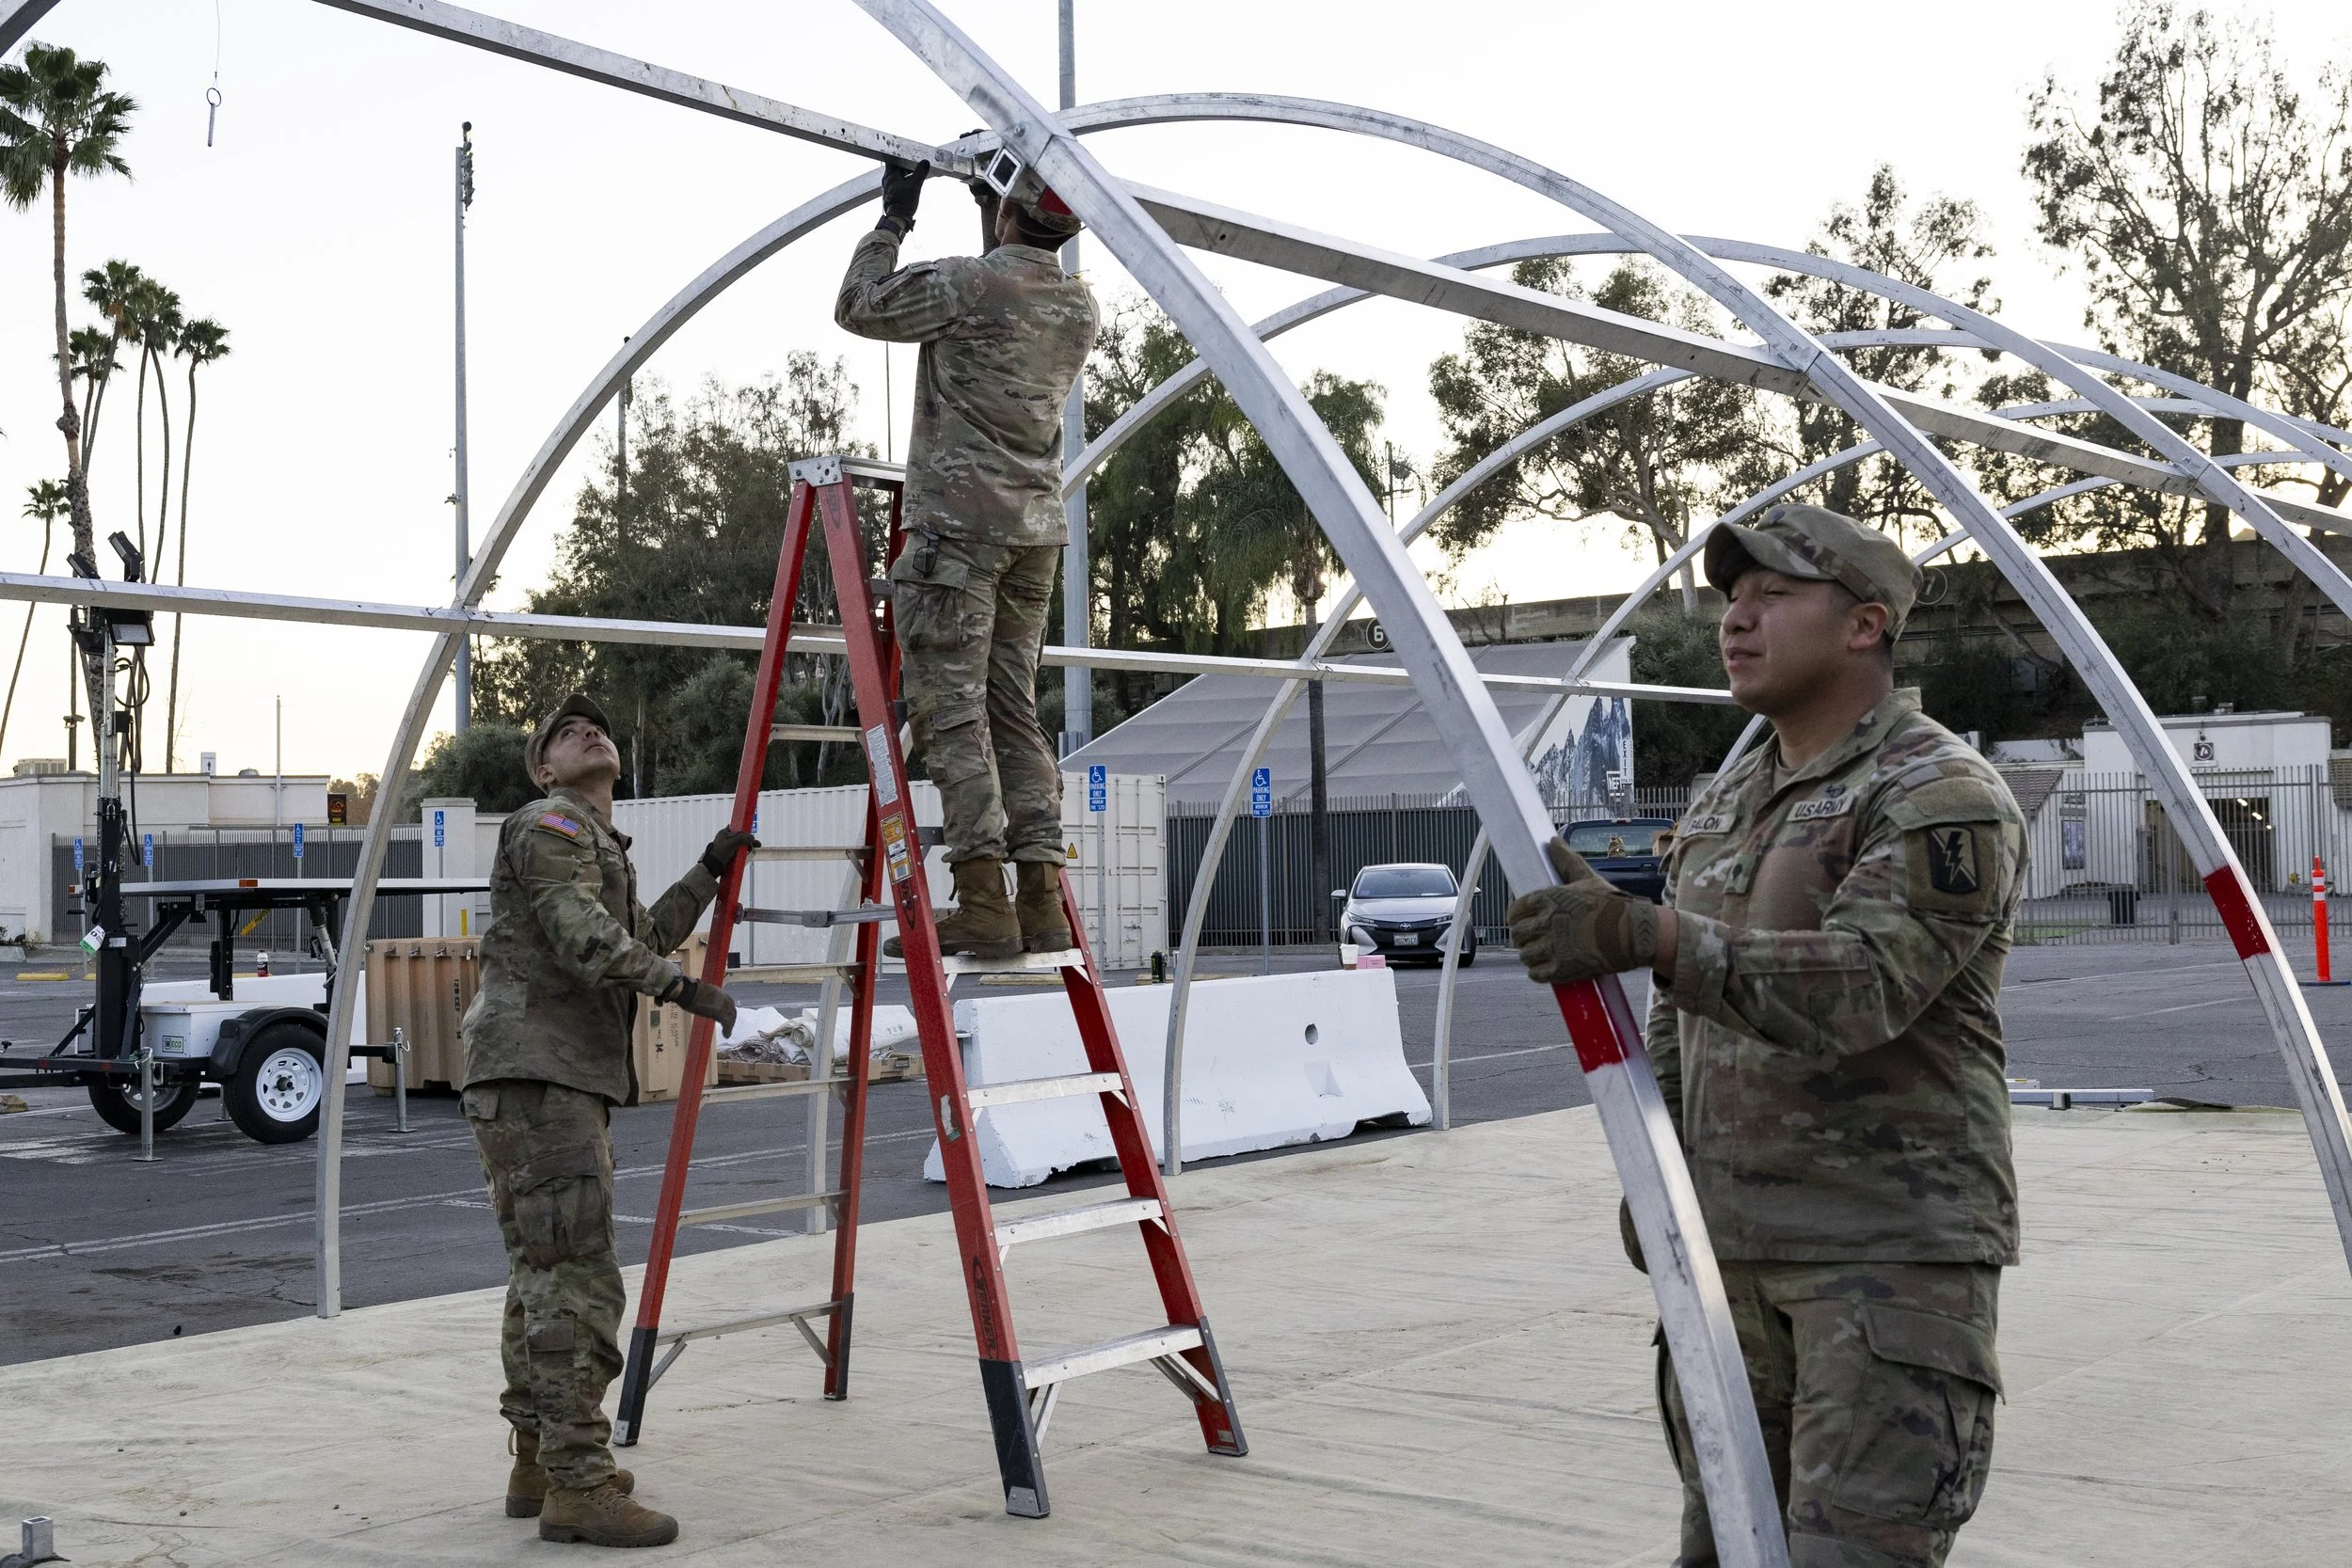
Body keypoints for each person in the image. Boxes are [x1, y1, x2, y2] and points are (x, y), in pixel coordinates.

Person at [1506, 504, 2026, 1568]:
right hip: (1729, 1259)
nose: (1735, 620)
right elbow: (1676, 1013)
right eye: (1731, 599)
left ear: (1863, 625)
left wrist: (1646, 931)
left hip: (1878, 1264)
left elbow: (1865, 986)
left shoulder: (1936, 793)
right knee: (1721, 1549)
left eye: (1772, 596)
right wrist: (1661, 1174)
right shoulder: (1730, 797)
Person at [458, 693, 754, 1548]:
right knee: (577, 1278)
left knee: (539, 1272)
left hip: (540, 1076)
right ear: (545, 768)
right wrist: (684, 991)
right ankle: (578, 1483)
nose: (590, 731)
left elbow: (640, 931)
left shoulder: (589, 842)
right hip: (541, 1073)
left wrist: (706, 872)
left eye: (598, 726)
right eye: (565, 732)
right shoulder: (551, 823)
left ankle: (538, 1460)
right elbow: (585, 936)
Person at [835, 155, 1100, 959]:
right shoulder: (1077, 305)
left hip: (957, 532)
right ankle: (1041, 899)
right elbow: (1008, 269)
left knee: (952, 712)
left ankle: (984, 900)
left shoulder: (967, 286)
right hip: (1032, 535)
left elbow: (858, 305)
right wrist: (999, 207)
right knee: (1012, 710)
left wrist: (893, 220)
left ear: (1007, 216)